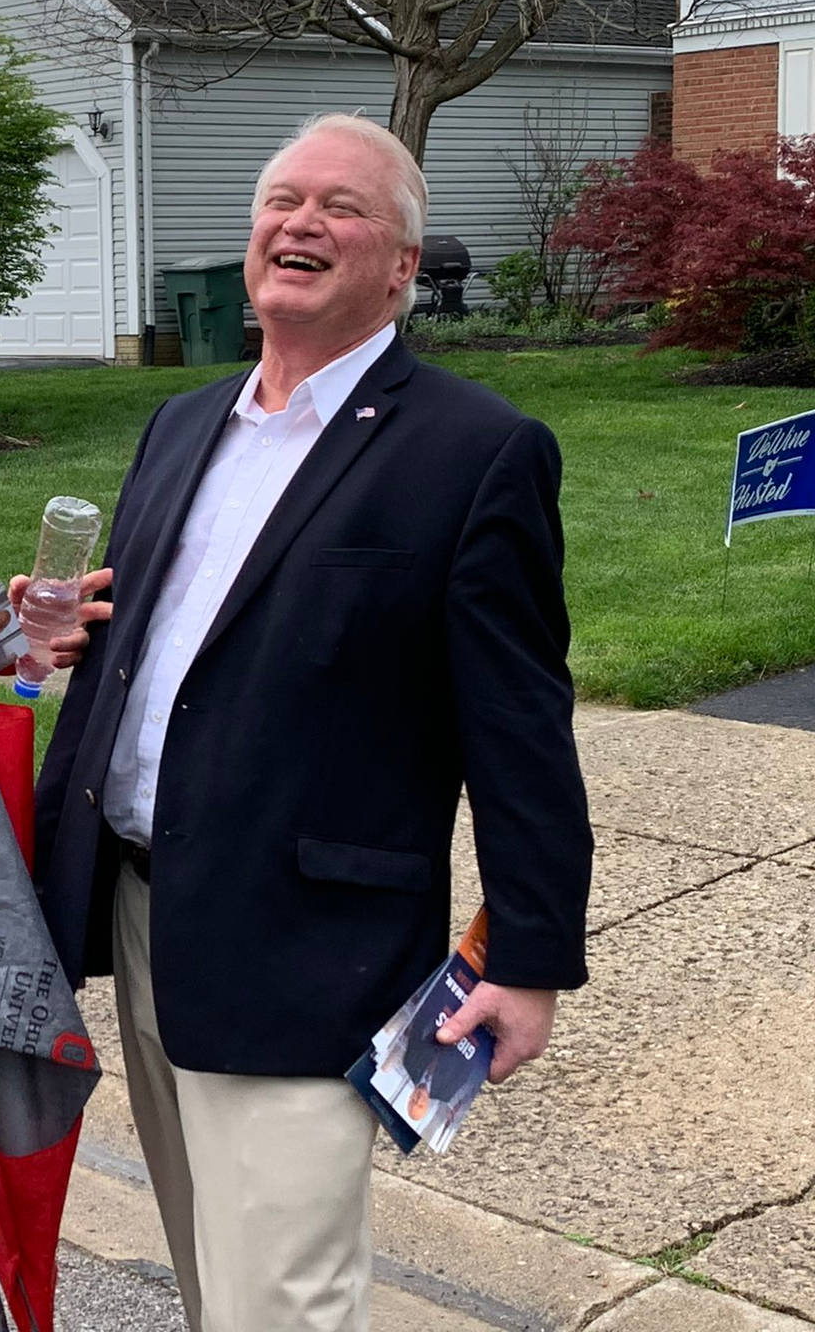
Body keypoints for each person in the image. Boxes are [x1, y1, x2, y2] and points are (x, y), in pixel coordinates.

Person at [33, 113, 594, 1332]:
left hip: (308, 941)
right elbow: (153, 650)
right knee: (204, 1269)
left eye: (341, 206)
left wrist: (533, 957)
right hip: (139, 911)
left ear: (401, 262)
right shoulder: (183, 426)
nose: (300, 223)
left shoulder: (476, 451)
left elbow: (520, 724)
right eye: (281, 200)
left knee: (280, 1300)